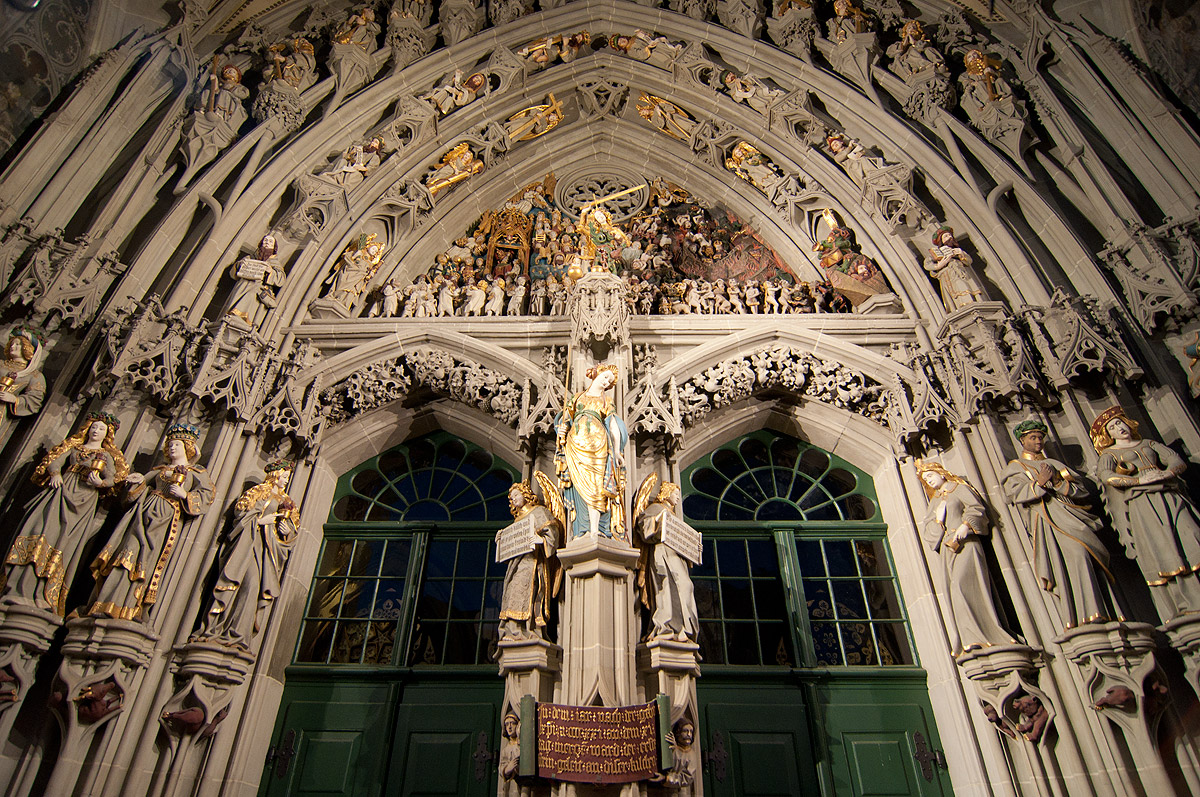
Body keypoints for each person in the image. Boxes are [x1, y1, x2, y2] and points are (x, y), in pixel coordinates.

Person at [1, 411, 128, 616]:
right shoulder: (75, 447)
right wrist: (55, 473)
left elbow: (113, 478)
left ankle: (44, 595)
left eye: (101, 429)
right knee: (41, 530)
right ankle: (18, 586)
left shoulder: (106, 456)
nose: (96, 431)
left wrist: (101, 482)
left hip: (84, 499)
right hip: (60, 492)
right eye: (94, 427)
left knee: (63, 543)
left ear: (108, 434)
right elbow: (55, 460)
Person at [86, 423, 214, 622]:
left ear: (188, 448)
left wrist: (184, 495)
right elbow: (138, 488)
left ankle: (132, 607)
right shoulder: (160, 470)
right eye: (170, 444)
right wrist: (137, 482)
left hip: (166, 521)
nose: (172, 448)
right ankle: (107, 602)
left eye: (177, 445)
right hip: (143, 514)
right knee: (126, 552)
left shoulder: (196, 472)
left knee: (147, 561)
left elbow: (207, 496)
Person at [1002, 420, 1119, 629]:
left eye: (1040, 437)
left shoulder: (1056, 464)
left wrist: (1056, 482)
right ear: (1022, 441)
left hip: (1073, 517)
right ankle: (1083, 615)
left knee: (1090, 558)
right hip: (1049, 521)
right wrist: (1039, 482)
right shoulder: (1016, 467)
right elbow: (1013, 494)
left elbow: (1082, 492)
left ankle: (1102, 611)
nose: (1038, 441)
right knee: (1075, 557)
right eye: (1032, 438)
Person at [1092, 406, 1200, 620]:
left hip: (1169, 495)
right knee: (1163, 549)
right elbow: (1106, 476)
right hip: (1142, 503)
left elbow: (1176, 460)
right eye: (1112, 427)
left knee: (1192, 535)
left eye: (1120, 422)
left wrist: (1166, 473)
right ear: (1108, 436)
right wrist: (1138, 480)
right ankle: (1183, 605)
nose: (1119, 428)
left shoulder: (1149, 444)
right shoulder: (1109, 454)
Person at [916, 461, 1015, 655]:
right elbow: (929, 534)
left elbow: (976, 509)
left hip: (966, 543)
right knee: (954, 590)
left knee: (964, 585)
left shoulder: (958, 488)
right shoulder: (935, 501)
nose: (929, 481)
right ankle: (969, 638)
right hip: (948, 549)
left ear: (940, 473)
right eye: (926, 479)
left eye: (930, 475)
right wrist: (939, 519)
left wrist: (966, 525)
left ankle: (989, 635)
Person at [197, 460, 299, 647]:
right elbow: (241, 516)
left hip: (265, 552)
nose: (286, 480)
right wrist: (259, 521)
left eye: (287, 477)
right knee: (243, 583)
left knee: (253, 587)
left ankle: (238, 635)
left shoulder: (286, 501)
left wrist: (286, 532)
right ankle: (218, 629)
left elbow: (290, 535)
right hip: (248, 545)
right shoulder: (259, 492)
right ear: (275, 475)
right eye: (284, 476)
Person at [554, 364, 627, 539]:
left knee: (596, 485)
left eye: (610, 381)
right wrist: (561, 429)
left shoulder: (606, 401)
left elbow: (613, 425)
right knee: (579, 485)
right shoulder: (578, 397)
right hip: (575, 444)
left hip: (598, 445)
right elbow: (566, 419)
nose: (606, 382)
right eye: (605, 377)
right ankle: (583, 529)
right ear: (596, 374)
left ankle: (596, 530)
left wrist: (617, 451)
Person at [634, 480, 698, 642]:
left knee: (686, 586)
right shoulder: (656, 508)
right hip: (662, 554)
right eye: (675, 493)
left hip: (676, 557)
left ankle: (683, 629)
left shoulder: (673, 513)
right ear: (667, 493)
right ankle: (665, 627)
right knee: (667, 588)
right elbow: (644, 528)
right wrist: (661, 523)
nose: (677, 497)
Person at [497, 480, 561, 639]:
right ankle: (513, 630)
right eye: (511, 498)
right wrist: (502, 541)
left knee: (528, 592)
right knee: (513, 593)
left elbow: (553, 532)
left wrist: (541, 540)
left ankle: (528, 629)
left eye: (516, 495)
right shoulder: (517, 521)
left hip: (533, 563)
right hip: (516, 566)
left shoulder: (539, 512)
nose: (514, 499)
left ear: (526, 494)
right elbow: (511, 550)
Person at [226, 234, 286, 328]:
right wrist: (240, 264)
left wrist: (270, 271)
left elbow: (281, 279)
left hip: (258, 289)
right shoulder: (250, 257)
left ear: (274, 247)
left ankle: (245, 323)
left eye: (270, 242)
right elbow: (233, 272)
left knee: (251, 298)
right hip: (243, 286)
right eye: (265, 240)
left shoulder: (275, 263)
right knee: (236, 304)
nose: (267, 243)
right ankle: (232, 316)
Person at [0, 325, 46, 437]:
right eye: (12, 343)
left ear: (27, 347)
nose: (13, 346)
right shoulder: (1, 364)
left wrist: (14, 399)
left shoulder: (34, 375)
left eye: (18, 344)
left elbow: (35, 399)